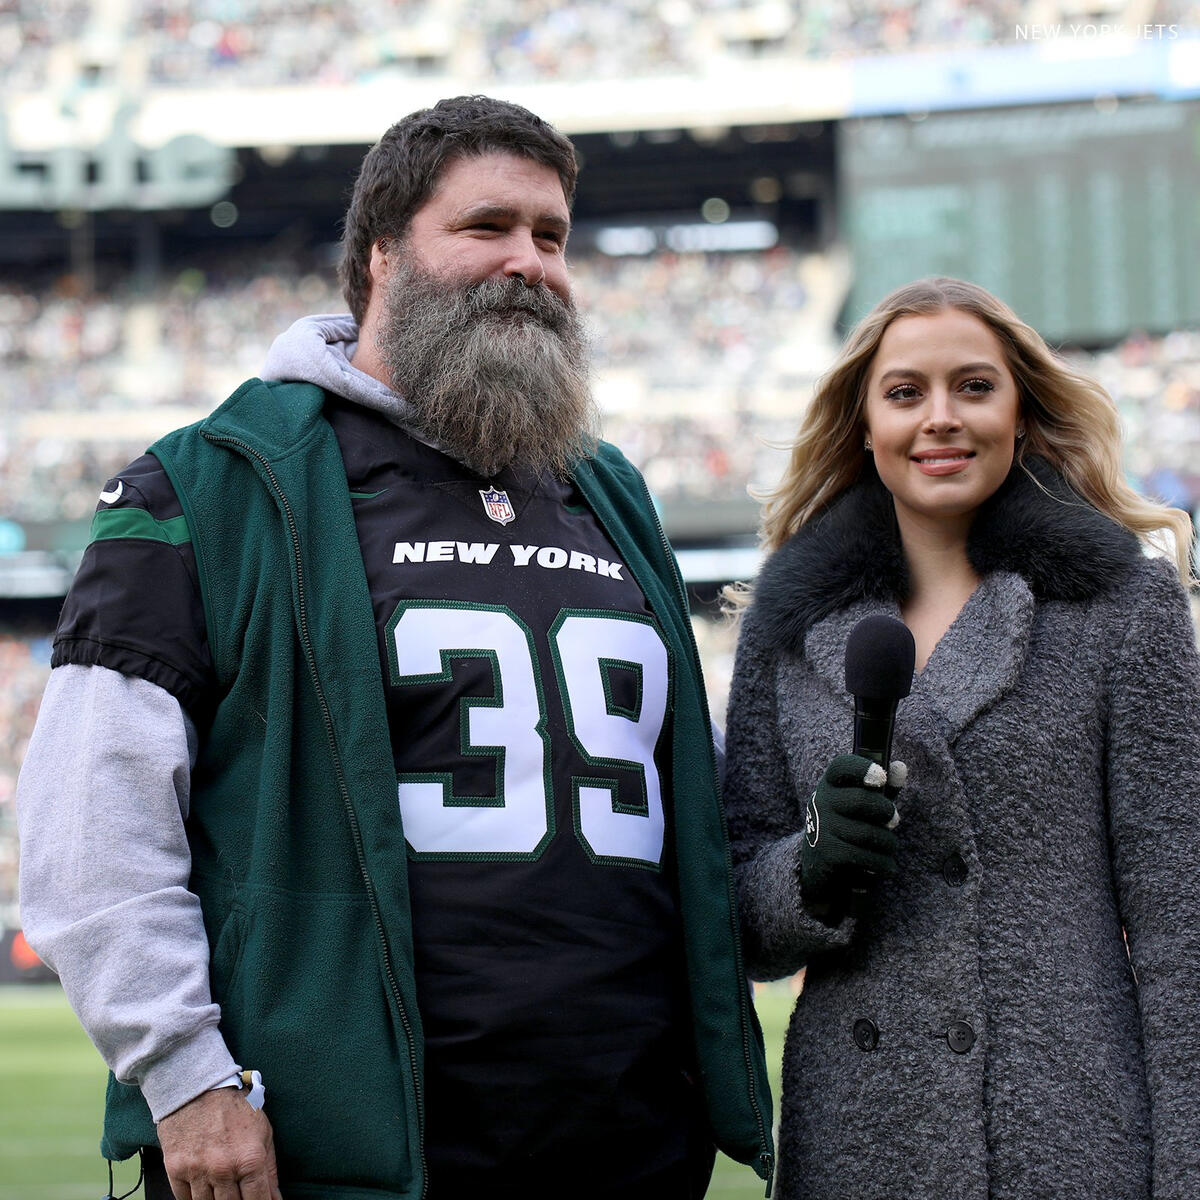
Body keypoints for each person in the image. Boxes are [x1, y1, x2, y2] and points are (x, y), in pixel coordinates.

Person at [17, 95, 774, 1200]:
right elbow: (91, 818)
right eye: (489, 227)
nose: (531, 262)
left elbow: (678, 806)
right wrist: (183, 1077)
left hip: (628, 1142)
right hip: (351, 1153)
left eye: (552, 236)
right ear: (380, 255)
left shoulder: (606, 491)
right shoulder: (212, 481)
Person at [722, 276, 1200, 1199]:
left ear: (1021, 413)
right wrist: (813, 865)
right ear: (865, 426)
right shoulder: (786, 629)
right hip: (857, 1139)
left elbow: (1183, 925)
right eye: (905, 394)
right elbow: (744, 923)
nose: (940, 418)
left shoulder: (1122, 609)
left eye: (974, 387)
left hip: (1068, 1132)